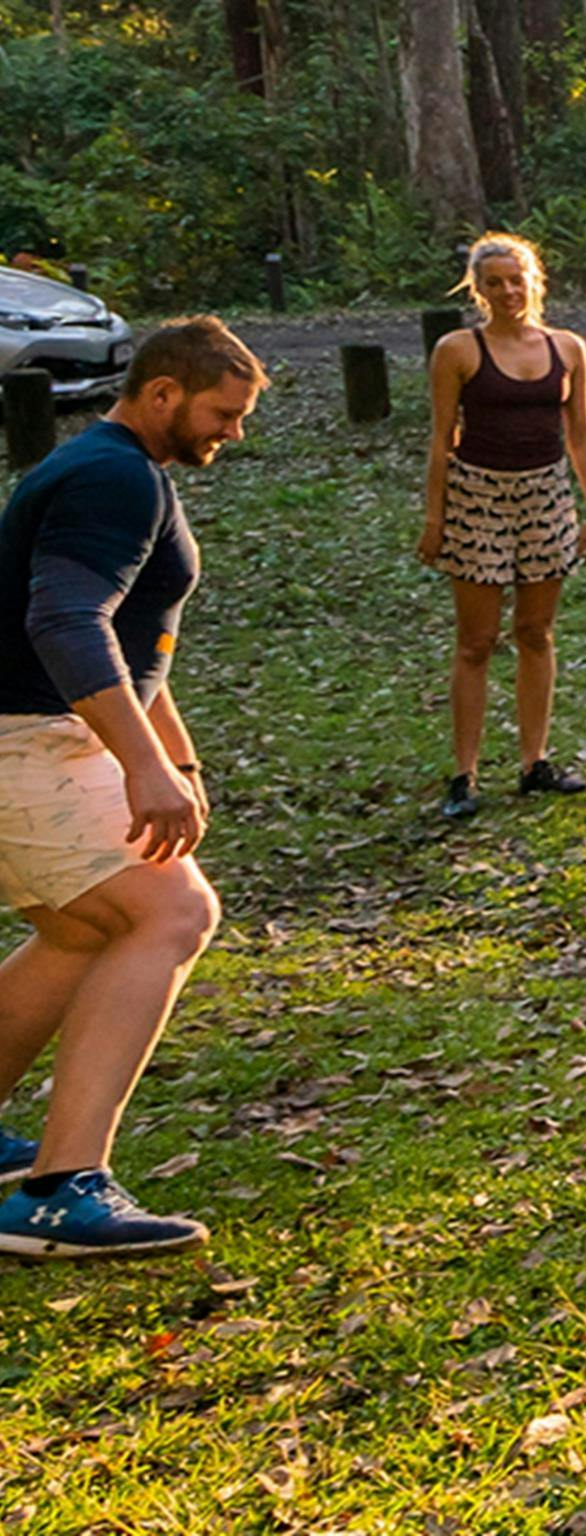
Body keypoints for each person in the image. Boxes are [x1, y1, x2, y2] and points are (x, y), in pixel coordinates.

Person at [0, 316, 266, 1258]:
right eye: (220, 414)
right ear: (162, 393)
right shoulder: (114, 478)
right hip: (29, 740)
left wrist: (175, 753)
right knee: (170, 914)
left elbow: (130, 639)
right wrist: (144, 770)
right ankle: (62, 1190)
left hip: (41, 740)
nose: (229, 434)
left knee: (80, 928)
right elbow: (67, 621)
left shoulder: (112, 470)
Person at [418, 233, 586, 820]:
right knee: (476, 641)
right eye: (494, 282)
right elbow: (441, 438)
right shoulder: (458, 349)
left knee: (536, 632)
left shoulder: (567, 348)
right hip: (477, 497)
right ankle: (463, 775)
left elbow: (580, 433)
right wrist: (435, 518)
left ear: (534, 282)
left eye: (515, 279)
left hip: (545, 496)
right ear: (477, 289)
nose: (507, 291)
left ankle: (534, 762)